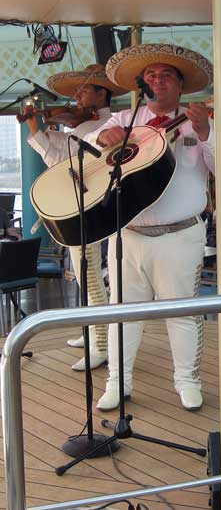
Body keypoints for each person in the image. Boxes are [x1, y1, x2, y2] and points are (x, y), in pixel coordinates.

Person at [87, 43, 214, 412]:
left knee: (182, 314)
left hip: (180, 235)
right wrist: (101, 139)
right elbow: (92, 148)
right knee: (121, 313)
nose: (158, 81)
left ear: (180, 86)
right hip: (128, 235)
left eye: (167, 75)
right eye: (152, 76)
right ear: (143, 84)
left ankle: (187, 381)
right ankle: (117, 382)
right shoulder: (124, 121)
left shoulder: (197, 122)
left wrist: (205, 131)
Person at [22, 64, 128, 371]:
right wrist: (37, 128)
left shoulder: (103, 124)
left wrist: (39, 130)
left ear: (101, 93)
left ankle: (101, 345)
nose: (77, 98)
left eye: (83, 91)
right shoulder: (83, 126)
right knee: (85, 275)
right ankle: (92, 329)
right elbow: (60, 153)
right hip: (79, 204)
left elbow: (61, 156)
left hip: (90, 206)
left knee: (91, 278)